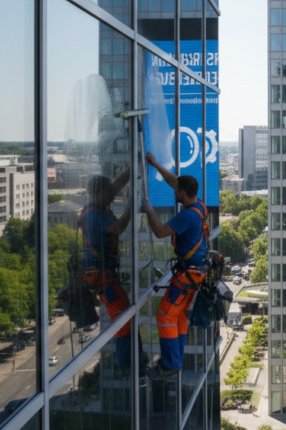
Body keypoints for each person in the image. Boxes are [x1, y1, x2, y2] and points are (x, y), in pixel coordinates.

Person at [142, 152, 210, 378]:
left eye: (176, 191)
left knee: (164, 315)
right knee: (178, 316)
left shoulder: (187, 216)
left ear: (183, 194)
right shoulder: (199, 205)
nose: (174, 192)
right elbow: (175, 181)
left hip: (188, 275)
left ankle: (170, 365)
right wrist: (156, 164)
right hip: (196, 273)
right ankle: (175, 360)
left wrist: (149, 210)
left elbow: (161, 232)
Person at [79, 171, 135, 370]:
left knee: (124, 315)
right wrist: (131, 205)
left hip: (101, 272)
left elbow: (114, 185)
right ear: (99, 193)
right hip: (101, 275)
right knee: (123, 318)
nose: (113, 196)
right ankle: (125, 363)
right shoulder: (94, 215)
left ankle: (128, 359)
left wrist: (132, 167)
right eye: (109, 193)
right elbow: (118, 227)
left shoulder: (95, 207)